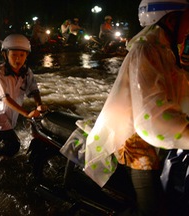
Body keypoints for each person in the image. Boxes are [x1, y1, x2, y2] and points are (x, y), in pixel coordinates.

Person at [80, 0, 189, 215]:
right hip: (137, 144)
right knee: (153, 208)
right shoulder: (146, 50)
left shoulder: (167, 50)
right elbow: (152, 118)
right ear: (171, 19)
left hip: (159, 142)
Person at [0, 34, 47, 157]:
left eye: (22, 55)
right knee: (14, 145)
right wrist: (27, 114)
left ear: (26, 55)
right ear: (5, 55)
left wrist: (39, 104)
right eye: (14, 55)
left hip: (12, 112)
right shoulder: (0, 72)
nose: (18, 59)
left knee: (0, 133)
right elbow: (5, 98)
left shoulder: (27, 72)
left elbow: (34, 90)